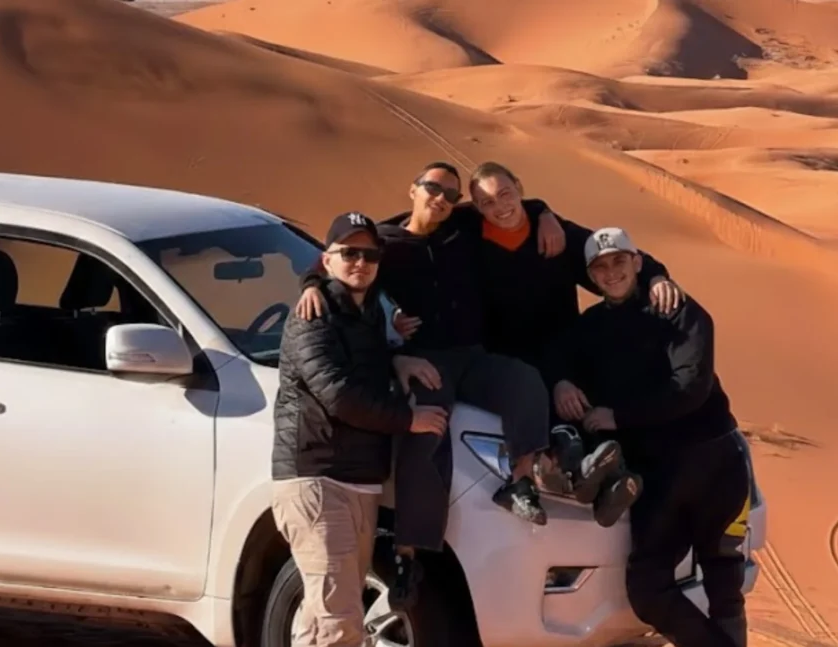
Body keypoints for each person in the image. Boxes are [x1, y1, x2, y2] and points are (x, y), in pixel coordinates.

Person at [295, 162, 571, 610]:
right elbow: (333, 257)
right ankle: (409, 550)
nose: (441, 198)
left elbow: (513, 204)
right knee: (427, 430)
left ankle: (520, 481)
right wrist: (311, 284)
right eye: (433, 189)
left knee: (524, 381)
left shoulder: (461, 225)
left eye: (450, 193)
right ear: (414, 190)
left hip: (473, 354)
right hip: (428, 361)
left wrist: (544, 212)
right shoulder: (384, 241)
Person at [546, 226, 750, 647]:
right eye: (600, 267)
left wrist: (619, 417)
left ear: (637, 262)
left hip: (714, 459)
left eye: (620, 260)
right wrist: (561, 382)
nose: (612, 272)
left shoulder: (679, 310)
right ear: (591, 276)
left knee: (724, 581)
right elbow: (556, 358)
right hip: (656, 475)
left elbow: (690, 388)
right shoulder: (589, 327)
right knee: (648, 589)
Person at [464, 161, 684, 526]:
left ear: (520, 187)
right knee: (551, 407)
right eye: (486, 202)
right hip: (512, 360)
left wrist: (657, 276)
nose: (499, 206)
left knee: (600, 397)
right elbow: (417, 221)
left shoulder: (555, 235)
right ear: (476, 208)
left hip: (567, 352)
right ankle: (586, 477)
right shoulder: (471, 236)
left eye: (506, 193)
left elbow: (610, 254)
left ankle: (610, 478)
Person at [271, 212, 450, 647]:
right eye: (349, 253)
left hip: (358, 481)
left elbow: (363, 364)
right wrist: (410, 420)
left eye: (369, 254)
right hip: (318, 478)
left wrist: (396, 360)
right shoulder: (313, 316)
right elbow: (339, 394)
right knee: (340, 619)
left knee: (320, 618)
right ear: (326, 260)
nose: (360, 262)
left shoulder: (369, 311)